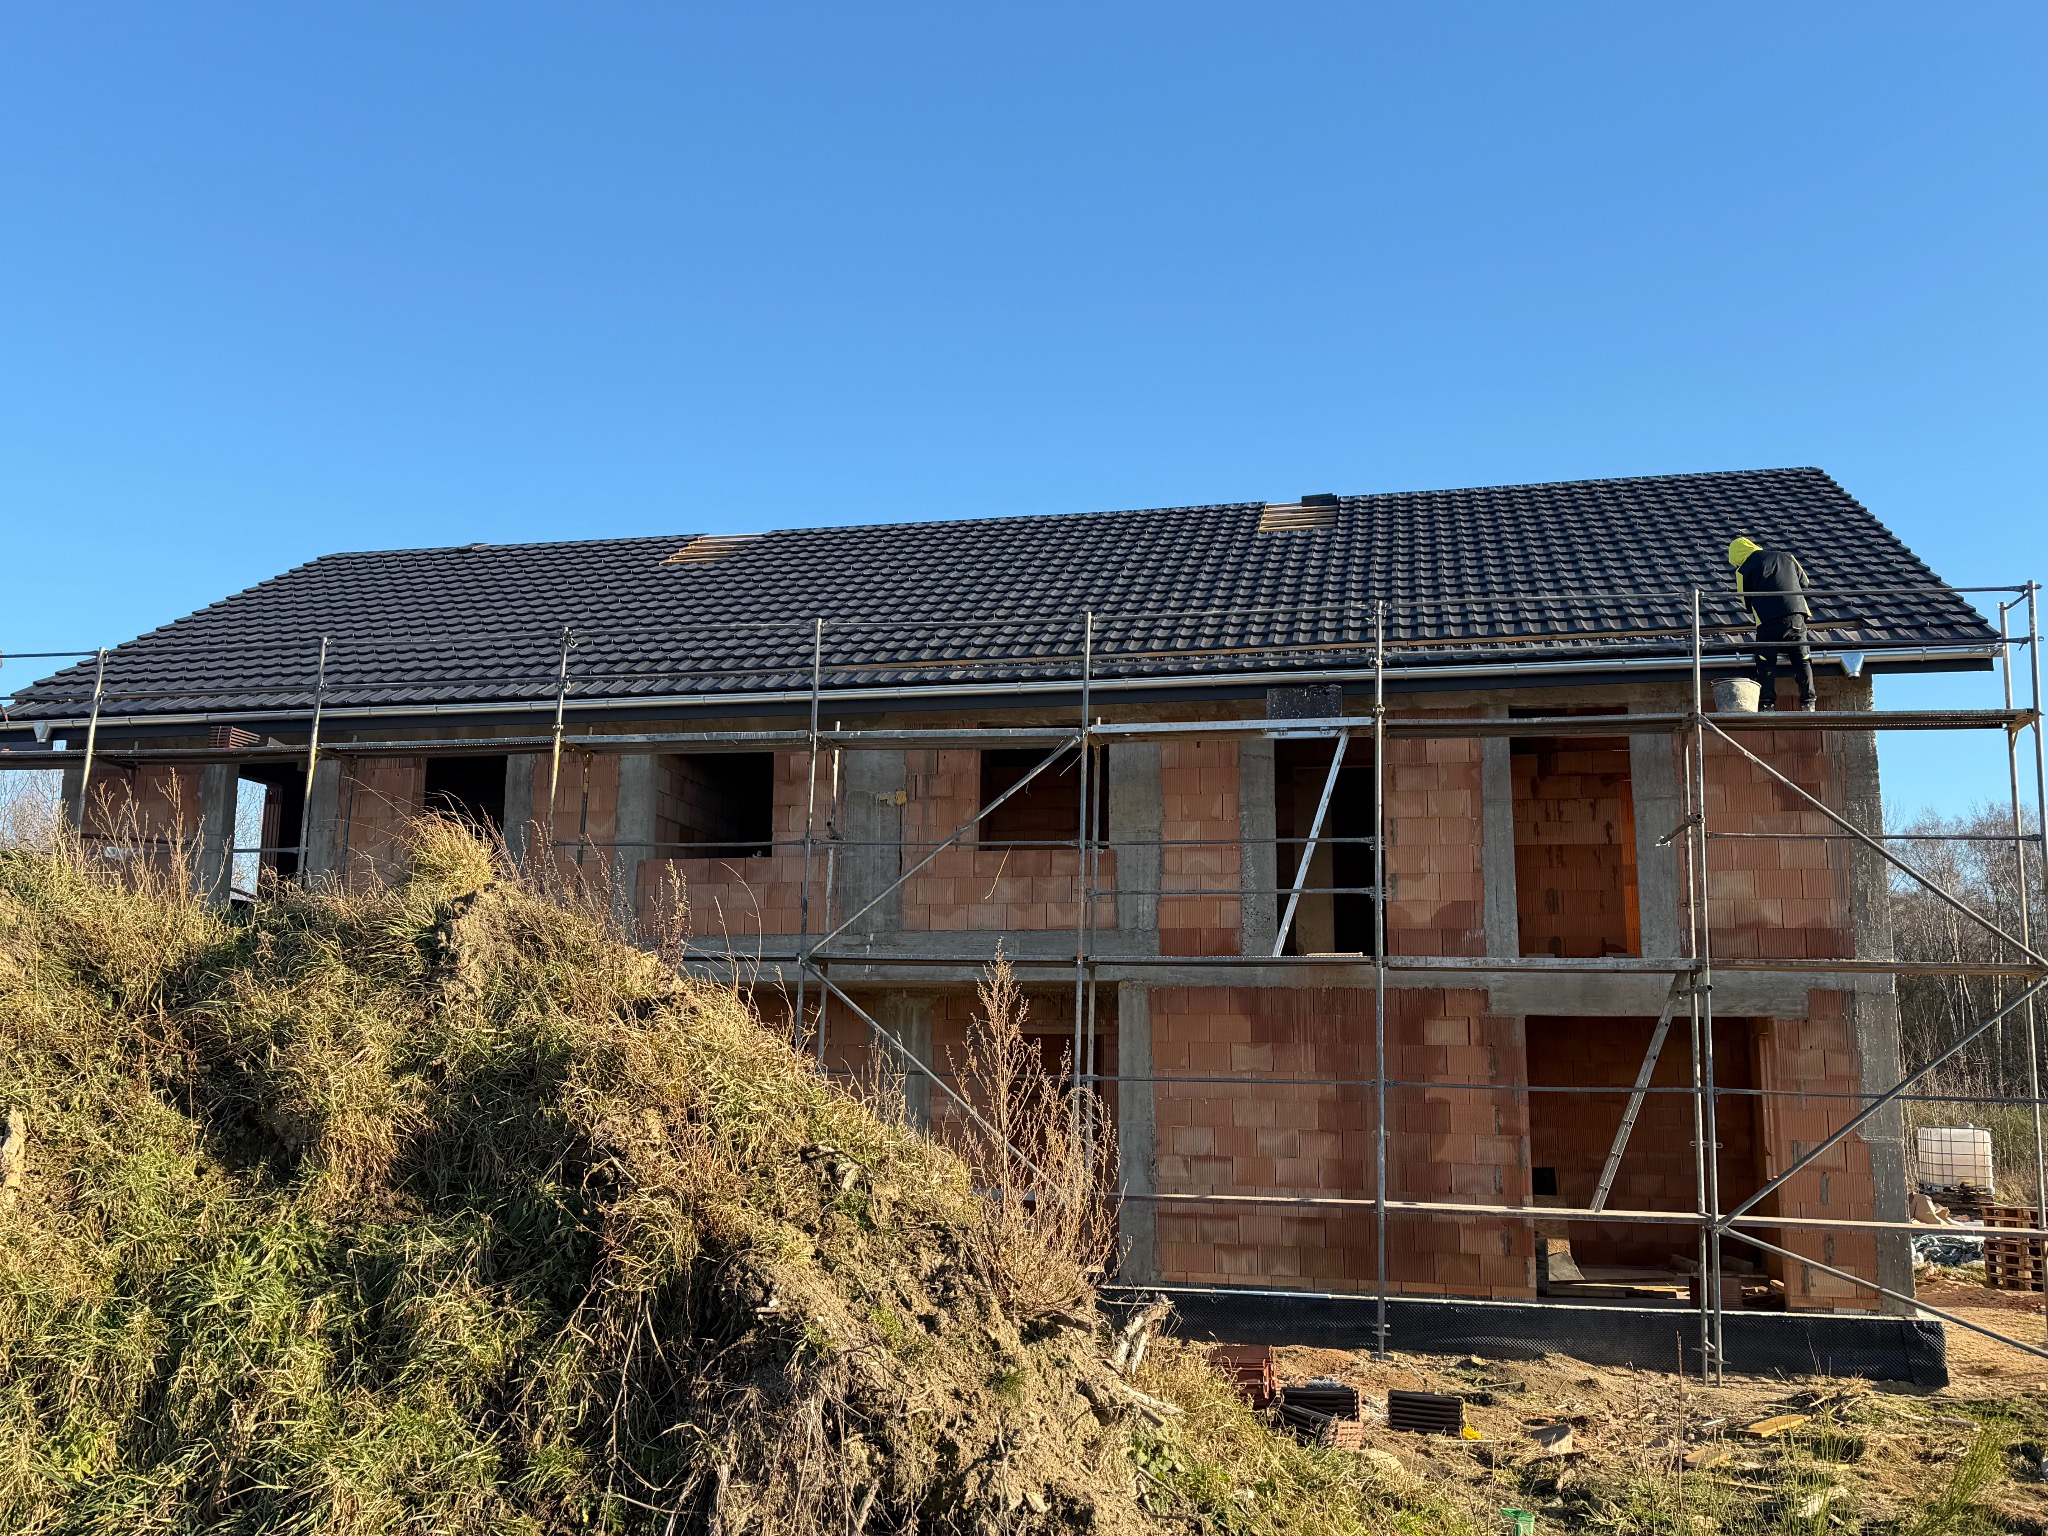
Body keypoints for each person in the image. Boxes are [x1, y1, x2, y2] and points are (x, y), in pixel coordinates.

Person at [1726, 536, 1816, 711]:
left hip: (1768, 621)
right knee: (1802, 659)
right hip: (1796, 615)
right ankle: (1808, 701)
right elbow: (1805, 582)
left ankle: (1767, 703)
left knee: (1765, 661)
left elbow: (1746, 602)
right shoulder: (1786, 557)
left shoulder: (1743, 570)